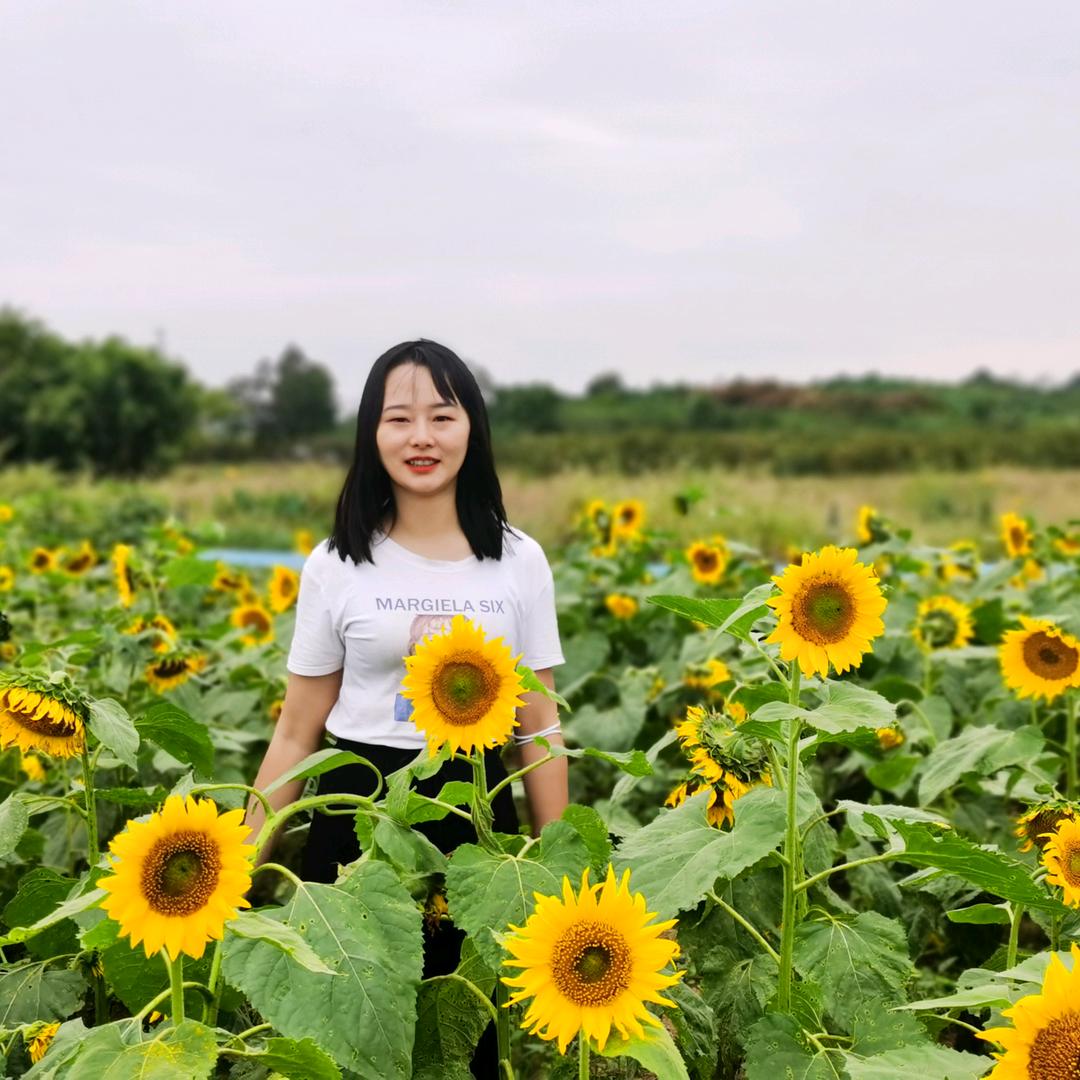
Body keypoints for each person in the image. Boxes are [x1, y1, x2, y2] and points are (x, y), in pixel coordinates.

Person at [242, 338, 567, 1077]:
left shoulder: (519, 560)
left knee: (466, 1032)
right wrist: (238, 867)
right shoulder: (336, 565)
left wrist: (552, 866)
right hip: (355, 807)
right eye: (399, 418)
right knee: (353, 1028)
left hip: (474, 813)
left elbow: (539, 725)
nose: (421, 437)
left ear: (472, 431)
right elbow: (297, 732)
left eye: (442, 416)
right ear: (372, 433)